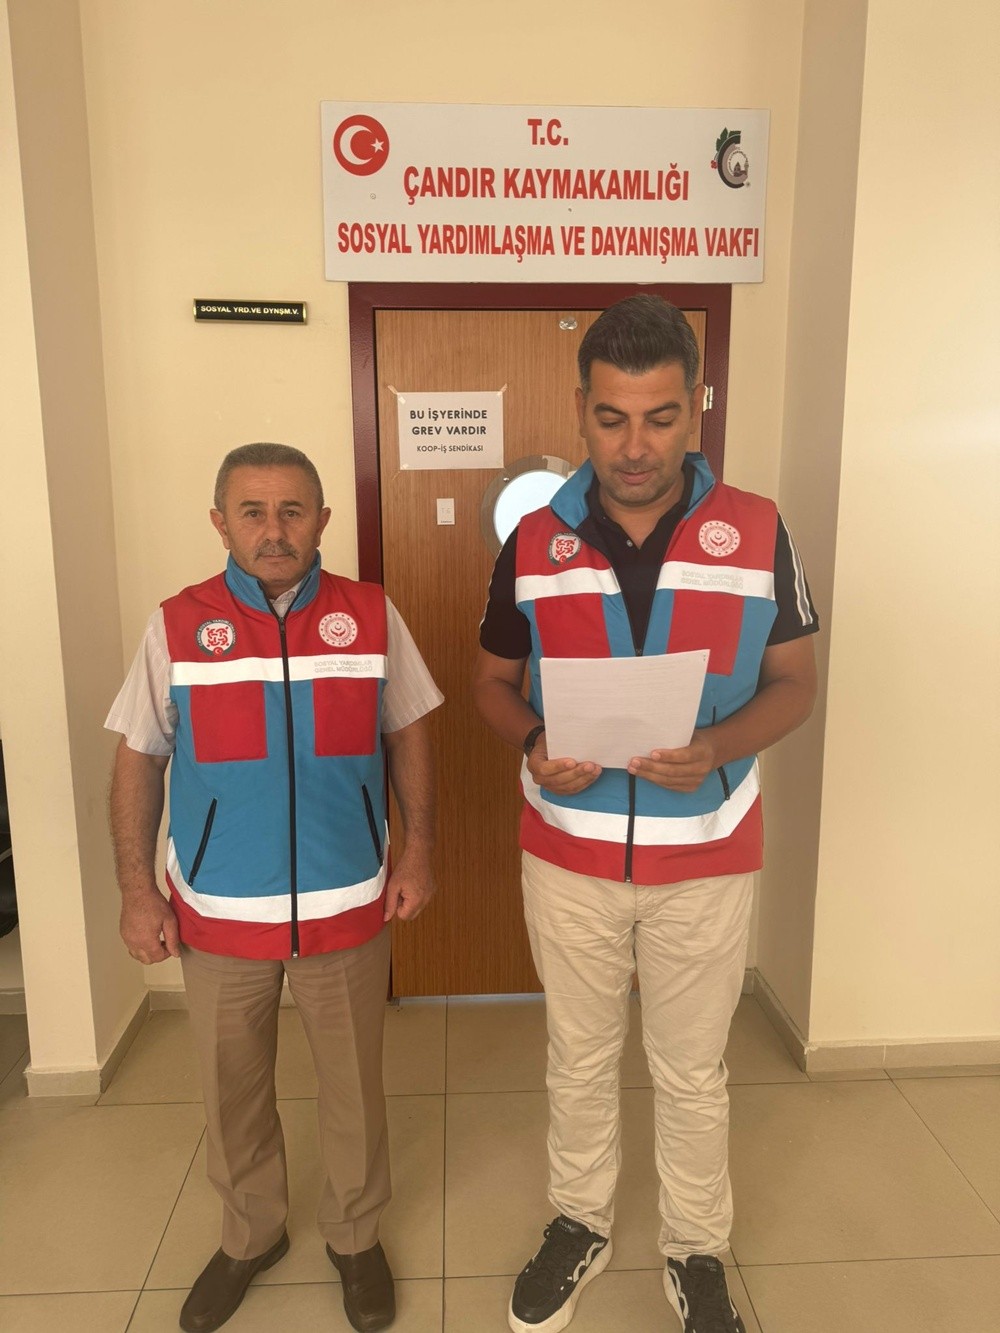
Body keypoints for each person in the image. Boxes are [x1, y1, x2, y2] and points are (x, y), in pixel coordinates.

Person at [473, 295, 818, 1333]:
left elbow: (795, 684)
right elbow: (491, 683)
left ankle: (694, 1246)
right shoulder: (534, 538)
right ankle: (580, 1222)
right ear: (581, 406)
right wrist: (533, 740)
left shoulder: (756, 530)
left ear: (697, 406)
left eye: (661, 417)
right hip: (569, 855)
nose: (635, 446)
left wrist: (717, 745)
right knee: (577, 1058)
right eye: (612, 417)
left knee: (691, 1070)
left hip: (706, 854)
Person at [107, 442, 441, 1333]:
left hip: (346, 903)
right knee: (232, 1091)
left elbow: (408, 732)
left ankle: (356, 1237)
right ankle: (251, 1235)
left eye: (293, 510)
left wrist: (418, 851)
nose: (274, 529)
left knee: (354, 1089)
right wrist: (138, 891)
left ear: (323, 520)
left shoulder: (370, 614)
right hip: (218, 910)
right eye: (252, 511)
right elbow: (139, 757)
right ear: (220, 522)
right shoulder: (178, 624)